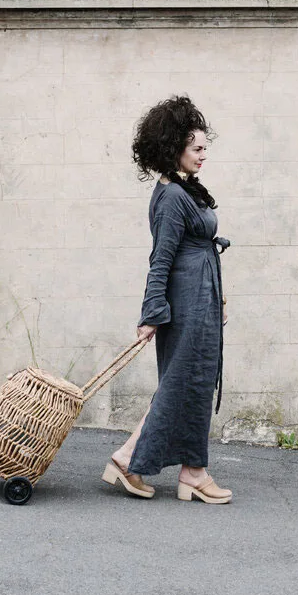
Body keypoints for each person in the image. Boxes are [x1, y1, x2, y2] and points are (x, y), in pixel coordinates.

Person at [102, 95, 233, 504]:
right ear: (174, 146)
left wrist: (219, 297)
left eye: (204, 147)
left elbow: (199, 249)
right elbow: (161, 258)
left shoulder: (182, 189)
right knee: (181, 383)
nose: (203, 155)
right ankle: (128, 459)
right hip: (187, 303)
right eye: (196, 148)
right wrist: (153, 313)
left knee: (192, 383)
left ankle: (193, 472)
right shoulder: (172, 197)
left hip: (201, 298)